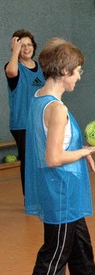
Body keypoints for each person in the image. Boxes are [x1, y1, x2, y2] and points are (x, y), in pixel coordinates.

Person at [18, 38, 95, 275]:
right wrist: (86, 151)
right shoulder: (56, 109)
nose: (78, 76)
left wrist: (79, 152)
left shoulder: (40, 98)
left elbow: (55, 145)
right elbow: (53, 157)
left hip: (64, 188)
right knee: (54, 255)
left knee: (80, 246)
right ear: (62, 70)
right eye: (76, 71)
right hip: (59, 191)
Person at [4, 29, 46, 196]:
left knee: (42, 159)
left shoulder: (40, 69)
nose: (27, 48)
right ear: (16, 48)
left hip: (40, 121)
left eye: (29, 45)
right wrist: (15, 51)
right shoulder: (13, 67)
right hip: (22, 123)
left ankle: (41, 193)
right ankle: (30, 197)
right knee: (29, 161)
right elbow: (12, 72)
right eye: (22, 46)